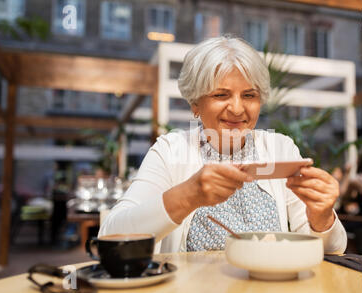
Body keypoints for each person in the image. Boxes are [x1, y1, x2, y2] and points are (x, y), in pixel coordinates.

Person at [99, 36, 347, 254]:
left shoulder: (280, 148)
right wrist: (187, 196)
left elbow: (330, 249)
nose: (238, 109)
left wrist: (321, 217)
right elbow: (111, 237)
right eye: (221, 95)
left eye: (249, 95)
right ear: (195, 104)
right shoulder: (171, 150)